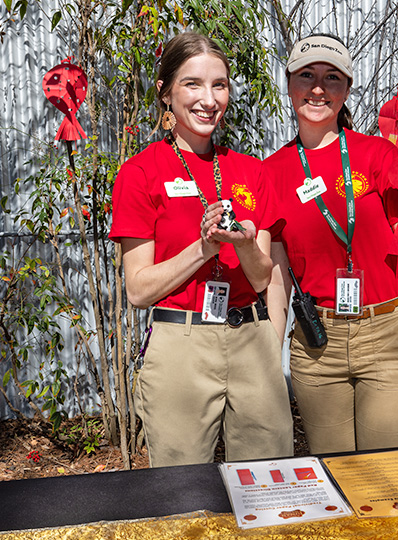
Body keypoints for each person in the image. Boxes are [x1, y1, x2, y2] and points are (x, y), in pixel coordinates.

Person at [109, 32, 293, 467]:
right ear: (165, 92)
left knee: (269, 485)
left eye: (219, 85)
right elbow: (137, 289)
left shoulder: (251, 171)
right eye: (192, 84)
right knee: (181, 493)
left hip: (251, 338)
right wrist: (204, 248)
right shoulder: (140, 174)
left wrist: (246, 245)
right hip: (180, 345)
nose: (208, 99)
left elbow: (263, 277)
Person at [265, 34, 398, 454]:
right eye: (306, 76)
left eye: (332, 78)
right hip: (317, 347)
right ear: (290, 84)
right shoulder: (271, 172)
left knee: (388, 477)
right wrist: (266, 361)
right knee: (337, 478)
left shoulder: (379, 156)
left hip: (389, 335)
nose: (317, 88)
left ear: (346, 89)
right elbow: (278, 280)